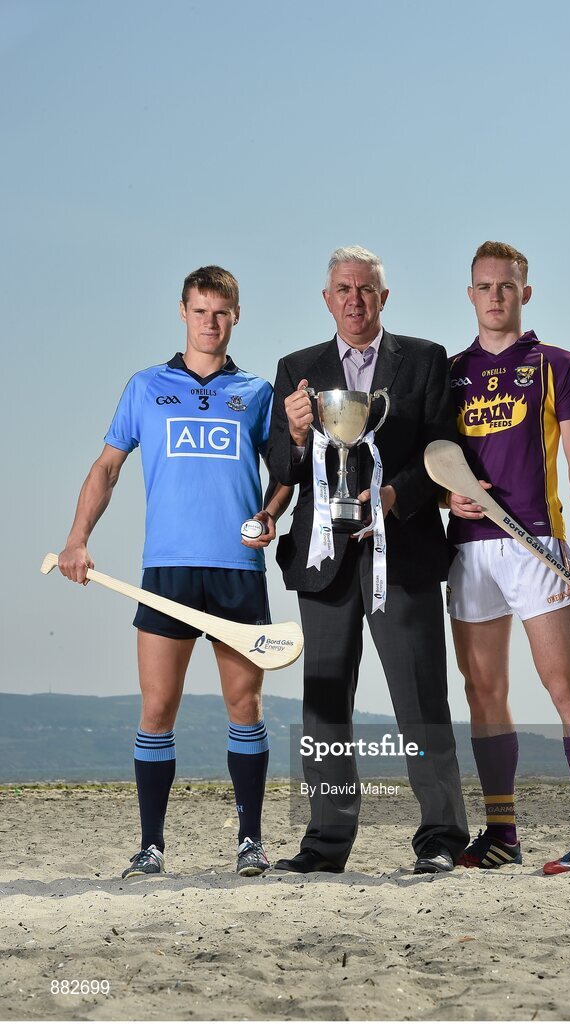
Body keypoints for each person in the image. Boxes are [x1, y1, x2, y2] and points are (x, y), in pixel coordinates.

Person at [58, 266, 290, 878]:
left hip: (237, 568)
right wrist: (78, 539)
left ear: (236, 315)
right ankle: (151, 846)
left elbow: (284, 476)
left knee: (245, 704)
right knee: (158, 707)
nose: (210, 323)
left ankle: (250, 842)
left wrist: (268, 514)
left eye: (221, 312)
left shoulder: (258, 394)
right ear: (183, 313)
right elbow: (107, 467)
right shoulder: (145, 387)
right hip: (166, 570)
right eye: (199, 311)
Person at [268, 246, 469, 874]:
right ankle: (325, 844)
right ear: (327, 299)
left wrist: (391, 495)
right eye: (344, 289)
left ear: (384, 297)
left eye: (367, 289)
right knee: (324, 706)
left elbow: (443, 449)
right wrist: (298, 434)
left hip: (402, 551)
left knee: (421, 699)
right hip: (323, 560)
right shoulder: (297, 369)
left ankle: (440, 836)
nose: (355, 299)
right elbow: (283, 468)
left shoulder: (426, 360)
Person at [447, 241, 570, 876]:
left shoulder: (558, 366)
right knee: (483, 690)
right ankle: (502, 832)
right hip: (468, 551)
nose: (495, 295)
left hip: (536, 545)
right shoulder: (451, 372)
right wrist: (446, 498)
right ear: (470, 295)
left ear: (525, 293)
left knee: (565, 687)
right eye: (485, 286)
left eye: (506, 286)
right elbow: (439, 464)